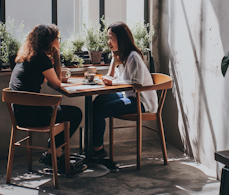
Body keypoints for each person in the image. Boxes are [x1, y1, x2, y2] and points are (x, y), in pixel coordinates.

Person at [9, 24, 82, 168]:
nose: (59, 41)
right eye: (57, 38)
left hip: (19, 114)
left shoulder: (26, 56)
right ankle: (53, 150)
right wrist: (57, 54)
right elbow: (56, 84)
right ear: (50, 41)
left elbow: (41, 79)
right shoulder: (41, 58)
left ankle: (54, 152)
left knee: (65, 111)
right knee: (76, 113)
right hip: (34, 116)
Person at [92, 21, 157, 158]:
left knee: (99, 110)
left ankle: (98, 150)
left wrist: (113, 83)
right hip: (128, 96)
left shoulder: (134, 57)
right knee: (97, 101)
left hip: (141, 102)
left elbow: (137, 83)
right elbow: (110, 77)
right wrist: (113, 60)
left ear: (120, 39)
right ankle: (94, 145)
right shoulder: (119, 55)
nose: (108, 41)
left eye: (111, 38)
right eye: (108, 38)